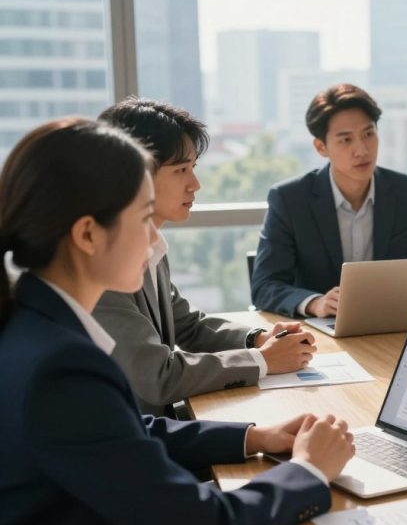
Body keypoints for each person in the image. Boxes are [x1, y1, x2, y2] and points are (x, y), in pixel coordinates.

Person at [0, 118, 355, 525]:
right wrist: (309, 471)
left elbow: (124, 431)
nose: (153, 240)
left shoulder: (30, 327)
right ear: (88, 234)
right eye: (145, 217)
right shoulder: (60, 367)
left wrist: (255, 437)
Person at [94, 98, 315, 416]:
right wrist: (263, 361)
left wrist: (258, 339)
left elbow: (187, 325)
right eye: (181, 169)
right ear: (135, 174)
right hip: (136, 441)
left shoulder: (151, 245)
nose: (195, 184)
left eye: (193, 168)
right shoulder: (103, 264)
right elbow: (159, 377)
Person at [251, 83, 407, 317]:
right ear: (321, 147)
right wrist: (316, 303)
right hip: (321, 334)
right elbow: (265, 286)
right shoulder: (290, 199)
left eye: (368, 134)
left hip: (390, 326)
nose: (362, 150)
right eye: (346, 140)